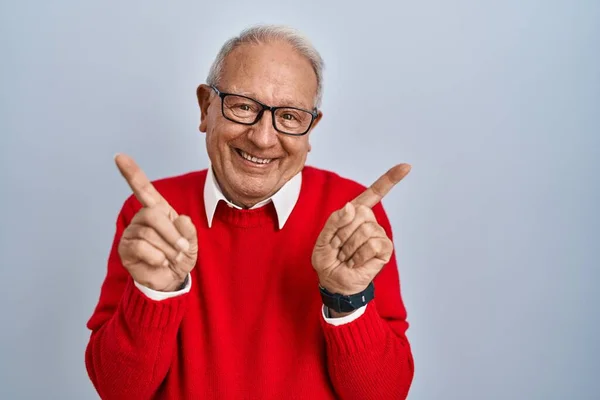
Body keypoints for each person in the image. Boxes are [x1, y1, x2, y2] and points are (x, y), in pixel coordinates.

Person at [85, 24, 414, 399]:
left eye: (289, 116)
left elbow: (384, 394)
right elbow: (118, 390)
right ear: (206, 107)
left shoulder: (352, 216)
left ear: (311, 129)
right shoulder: (154, 215)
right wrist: (154, 294)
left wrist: (345, 299)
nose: (262, 137)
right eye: (243, 106)